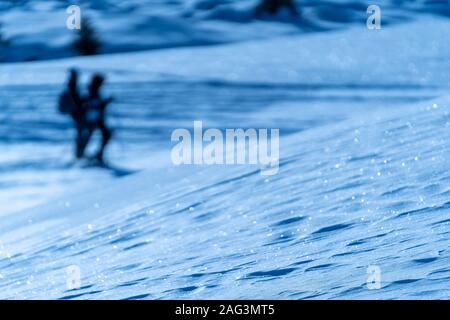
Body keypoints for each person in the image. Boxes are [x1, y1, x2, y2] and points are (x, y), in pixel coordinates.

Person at [78, 73, 113, 164]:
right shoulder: (91, 90)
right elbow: (93, 104)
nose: (102, 84)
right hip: (92, 118)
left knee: (103, 134)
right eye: (101, 82)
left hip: (95, 118)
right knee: (95, 135)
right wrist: (105, 102)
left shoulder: (93, 89)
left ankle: (92, 155)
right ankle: (84, 155)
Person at [59, 69, 86, 159]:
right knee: (81, 133)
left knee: (81, 133)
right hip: (77, 114)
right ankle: (79, 154)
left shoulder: (72, 87)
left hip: (76, 113)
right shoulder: (72, 87)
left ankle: (80, 153)